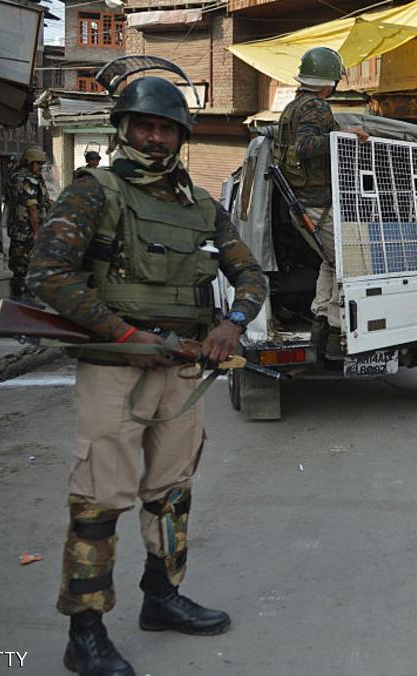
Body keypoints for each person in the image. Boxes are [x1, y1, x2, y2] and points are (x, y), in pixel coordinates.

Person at [27, 74, 268, 675]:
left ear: (181, 137)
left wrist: (233, 324)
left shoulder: (202, 205)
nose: (155, 138)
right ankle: (85, 633)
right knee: (98, 499)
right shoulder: (94, 192)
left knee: (172, 492)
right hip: (116, 369)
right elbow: (48, 275)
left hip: (183, 368)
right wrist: (125, 336)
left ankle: (161, 599)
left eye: (166, 128)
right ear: (124, 128)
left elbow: (252, 275)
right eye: (145, 126)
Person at [273, 46, 367, 360]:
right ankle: (338, 337)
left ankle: (321, 329)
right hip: (315, 204)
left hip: (303, 203)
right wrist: (347, 136)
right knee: (348, 264)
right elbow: (305, 146)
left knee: (331, 261)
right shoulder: (316, 106)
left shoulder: (294, 106)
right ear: (330, 81)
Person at [4, 145, 53, 298]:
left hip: (19, 229)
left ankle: (21, 298)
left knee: (19, 265)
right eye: (38, 164)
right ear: (29, 163)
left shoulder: (17, 176)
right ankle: (25, 299)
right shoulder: (27, 180)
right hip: (27, 231)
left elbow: (42, 202)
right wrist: (37, 232)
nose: (40, 167)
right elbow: (32, 209)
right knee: (27, 267)